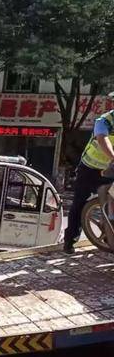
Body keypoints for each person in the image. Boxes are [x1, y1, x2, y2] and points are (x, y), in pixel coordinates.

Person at [64, 109, 114, 254]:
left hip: (110, 170)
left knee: (110, 204)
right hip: (90, 169)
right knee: (79, 204)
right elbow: (102, 138)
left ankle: (109, 235)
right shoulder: (104, 121)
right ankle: (69, 241)